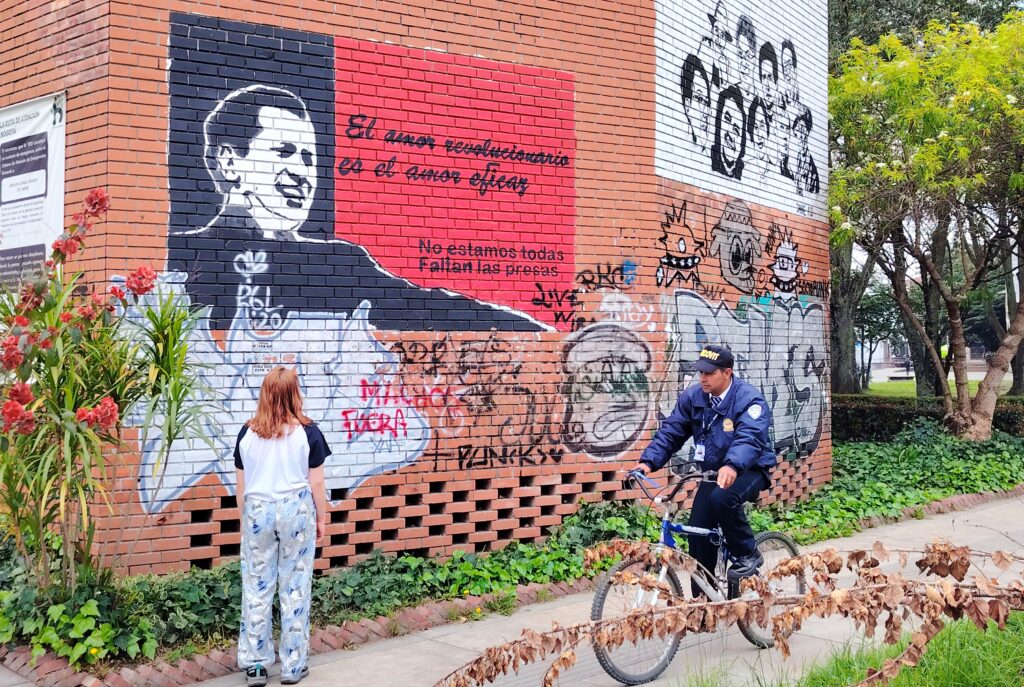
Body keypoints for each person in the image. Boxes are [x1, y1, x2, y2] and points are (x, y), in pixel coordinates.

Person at [167, 84, 543, 333]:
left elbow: (424, 305)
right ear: (230, 161)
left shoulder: (340, 262)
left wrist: (544, 336)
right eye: (283, 152)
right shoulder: (183, 257)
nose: (301, 172)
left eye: (308, 158)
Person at [631, 345, 776, 581]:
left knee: (723, 498)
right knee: (697, 533)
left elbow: (749, 438)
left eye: (709, 373)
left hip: (750, 468)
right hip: (714, 473)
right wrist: (647, 463)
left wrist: (732, 465)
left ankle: (748, 554)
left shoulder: (749, 399)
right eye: (701, 372)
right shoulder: (693, 397)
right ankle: (703, 601)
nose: (703, 378)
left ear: (727, 373)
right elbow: (672, 432)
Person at [235, 366, 330, 686]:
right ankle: (292, 665)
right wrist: (321, 518)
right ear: (294, 394)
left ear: (264, 394)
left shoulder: (246, 434)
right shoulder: (309, 433)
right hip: (295, 510)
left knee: (256, 587)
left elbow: (241, 486)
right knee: (295, 586)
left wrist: (246, 521)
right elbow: (317, 484)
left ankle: (256, 665)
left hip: (257, 510)